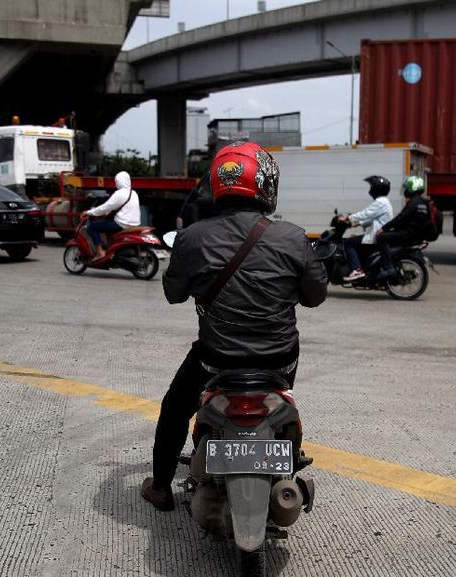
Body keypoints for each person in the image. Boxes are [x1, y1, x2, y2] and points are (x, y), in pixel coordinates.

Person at [141, 141, 328, 511]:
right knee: (283, 394)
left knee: (176, 409)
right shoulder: (293, 236)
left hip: (215, 358)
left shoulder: (192, 236)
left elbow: (173, 294)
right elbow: (315, 296)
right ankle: (285, 446)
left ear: (218, 185)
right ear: (265, 184)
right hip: (278, 359)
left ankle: (161, 487)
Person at [341, 175, 393, 281]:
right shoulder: (385, 201)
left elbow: (366, 213)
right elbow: (373, 218)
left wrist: (348, 217)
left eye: (372, 187)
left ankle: (357, 269)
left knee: (348, 243)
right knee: (355, 239)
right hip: (378, 234)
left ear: (377, 189)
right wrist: (359, 223)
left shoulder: (380, 202)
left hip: (376, 236)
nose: (370, 189)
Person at [82, 171, 140, 261]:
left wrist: (89, 212)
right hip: (134, 224)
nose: (116, 183)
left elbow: (104, 207)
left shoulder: (119, 194)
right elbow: (115, 207)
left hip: (121, 224)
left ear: (119, 181)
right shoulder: (134, 193)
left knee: (92, 227)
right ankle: (110, 249)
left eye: (116, 181)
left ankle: (100, 253)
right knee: (106, 226)